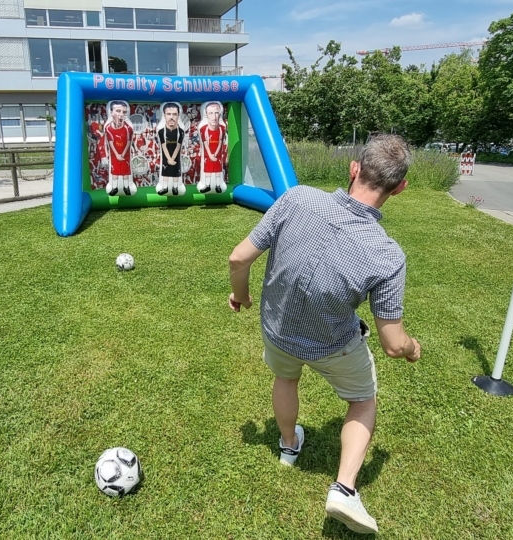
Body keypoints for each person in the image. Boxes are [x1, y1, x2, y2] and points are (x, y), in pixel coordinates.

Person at [227, 134, 422, 535]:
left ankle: (288, 445)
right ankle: (345, 489)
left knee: (285, 377)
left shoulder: (296, 198)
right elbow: (392, 343)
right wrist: (412, 348)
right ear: (399, 187)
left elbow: (238, 257)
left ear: (354, 169)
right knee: (363, 400)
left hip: (276, 330)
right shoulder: (387, 255)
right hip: (332, 344)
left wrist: (241, 296)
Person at [101, 100, 136, 196]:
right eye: (118, 111)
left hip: (125, 155)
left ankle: (126, 187)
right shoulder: (108, 128)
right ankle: (115, 188)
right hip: (114, 155)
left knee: (125, 171)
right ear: (111, 113)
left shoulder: (128, 128)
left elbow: (128, 142)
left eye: (124, 112)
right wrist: (117, 155)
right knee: (115, 171)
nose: (121, 114)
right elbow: (111, 142)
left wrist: (123, 154)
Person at [155, 102, 186, 197]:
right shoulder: (161, 131)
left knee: (176, 171)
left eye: (174, 114)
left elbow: (178, 146)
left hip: (175, 156)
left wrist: (173, 158)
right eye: (169, 114)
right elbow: (163, 146)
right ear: (164, 115)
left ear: (178, 116)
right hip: (166, 157)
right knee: (166, 171)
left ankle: (175, 187)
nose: (171, 117)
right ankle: (165, 187)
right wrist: (169, 159)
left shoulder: (180, 132)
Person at [197, 101, 227, 194]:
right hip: (208, 155)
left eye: (216, 113)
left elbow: (220, 142)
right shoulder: (203, 129)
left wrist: (216, 154)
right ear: (206, 115)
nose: (214, 116)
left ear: (220, 114)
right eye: (211, 113)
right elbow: (205, 143)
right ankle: (207, 185)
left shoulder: (222, 128)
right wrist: (210, 155)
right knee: (208, 170)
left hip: (217, 154)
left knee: (217, 169)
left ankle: (218, 185)